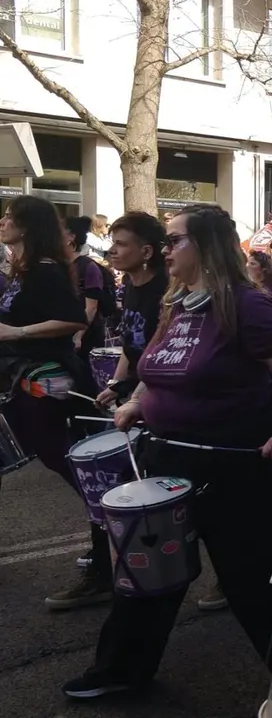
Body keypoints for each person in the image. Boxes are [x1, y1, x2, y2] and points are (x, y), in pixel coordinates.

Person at [64, 204, 272, 699]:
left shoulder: (245, 303)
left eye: (175, 240)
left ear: (205, 246)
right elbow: (153, 366)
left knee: (256, 586)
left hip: (233, 470)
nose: (165, 250)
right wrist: (136, 401)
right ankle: (121, 670)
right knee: (145, 573)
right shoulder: (177, 303)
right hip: (168, 461)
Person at [0, 197, 99, 606]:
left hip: (47, 380)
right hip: (21, 380)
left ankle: (113, 533)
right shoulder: (21, 273)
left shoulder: (44, 270)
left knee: (69, 462)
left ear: (29, 226)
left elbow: (74, 318)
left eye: (10, 217)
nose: (3, 221)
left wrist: (15, 334)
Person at [94, 212, 168, 408]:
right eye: (113, 243)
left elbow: (161, 353)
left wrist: (135, 398)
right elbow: (131, 342)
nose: (112, 250)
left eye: (121, 244)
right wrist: (115, 385)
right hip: (133, 389)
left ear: (146, 252)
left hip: (158, 393)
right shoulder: (130, 285)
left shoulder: (166, 290)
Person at [65, 216, 108, 364]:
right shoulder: (59, 266)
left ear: (71, 237)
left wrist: (78, 336)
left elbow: (91, 308)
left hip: (87, 337)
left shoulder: (89, 267)